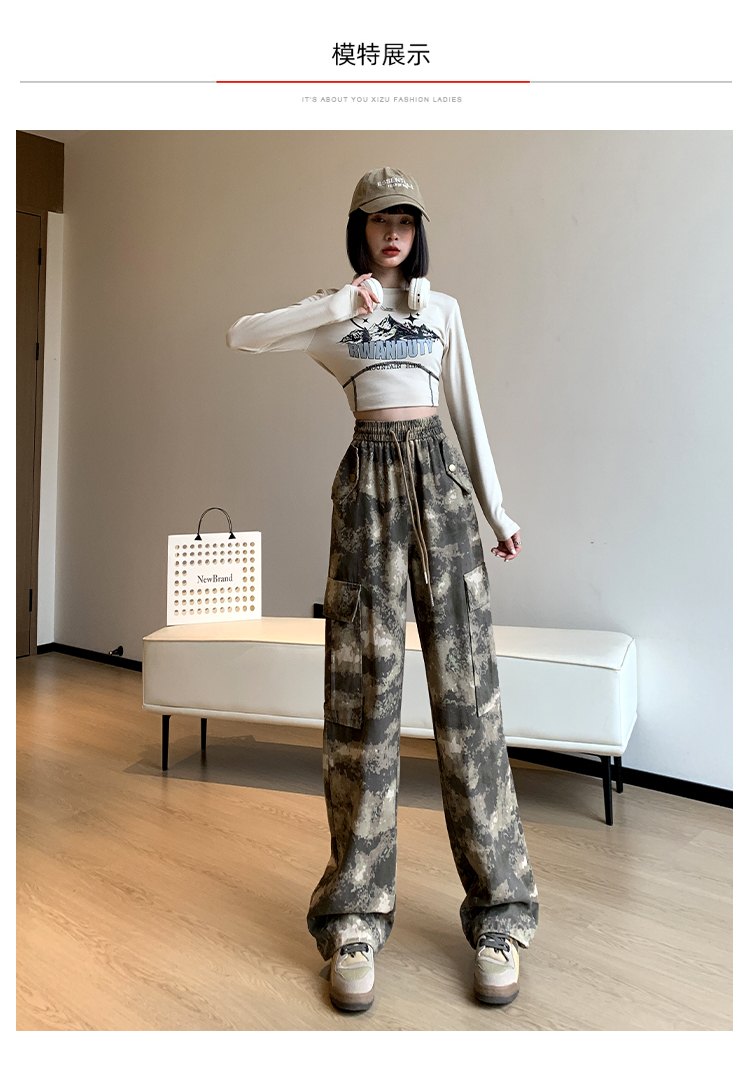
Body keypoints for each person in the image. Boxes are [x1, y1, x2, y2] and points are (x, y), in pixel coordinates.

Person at [226, 167, 538, 1013]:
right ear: (359, 229)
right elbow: (242, 335)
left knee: (469, 700)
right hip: (365, 487)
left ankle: (501, 914)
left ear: (417, 228)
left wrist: (496, 508)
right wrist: (337, 304)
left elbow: (466, 409)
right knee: (362, 697)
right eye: (377, 219)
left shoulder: (444, 310)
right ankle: (354, 918)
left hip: (440, 485)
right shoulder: (336, 312)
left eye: (404, 218)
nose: (392, 232)